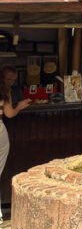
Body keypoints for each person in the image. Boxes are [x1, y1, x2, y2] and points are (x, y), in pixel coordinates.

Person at [1, 66, 31, 201]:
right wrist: (19, 106)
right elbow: (9, 113)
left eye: (13, 81)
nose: (10, 83)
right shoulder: (5, 91)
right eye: (8, 79)